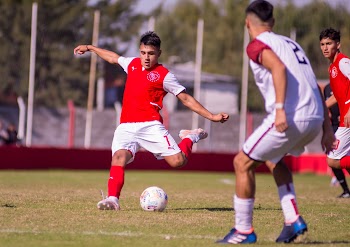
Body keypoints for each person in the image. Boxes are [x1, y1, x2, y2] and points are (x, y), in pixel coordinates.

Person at [217, 0, 335, 244]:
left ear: (247, 23)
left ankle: (243, 230)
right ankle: (293, 220)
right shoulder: (292, 44)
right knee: (273, 159)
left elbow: (278, 69)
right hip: (314, 117)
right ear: (272, 22)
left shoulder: (256, 45)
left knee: (242, 162)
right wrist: (326, 130)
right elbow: (314, 85)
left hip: (291, 115)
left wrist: (280, 110)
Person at [74, 31, 229, 211]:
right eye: (143, 53)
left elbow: (185, 98)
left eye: (151, 54)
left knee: (178, 161)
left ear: (159, 54)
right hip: (126, 126)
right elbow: (113, 57)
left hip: (150, 125)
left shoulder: (164, 75)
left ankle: (190, 137)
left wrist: (212, 116)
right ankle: (112, 200)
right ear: (139, 51)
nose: (146, 58)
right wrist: (91, 48)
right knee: (118, 158)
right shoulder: (131, 64)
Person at [323, 83, 350, 198]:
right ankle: (346, 191)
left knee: (332, 159)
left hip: (346, 124)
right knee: (333, 159)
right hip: (335, 125)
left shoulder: (342, 66)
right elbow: (334, 99)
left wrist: (348, 112)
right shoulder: (328, 87)